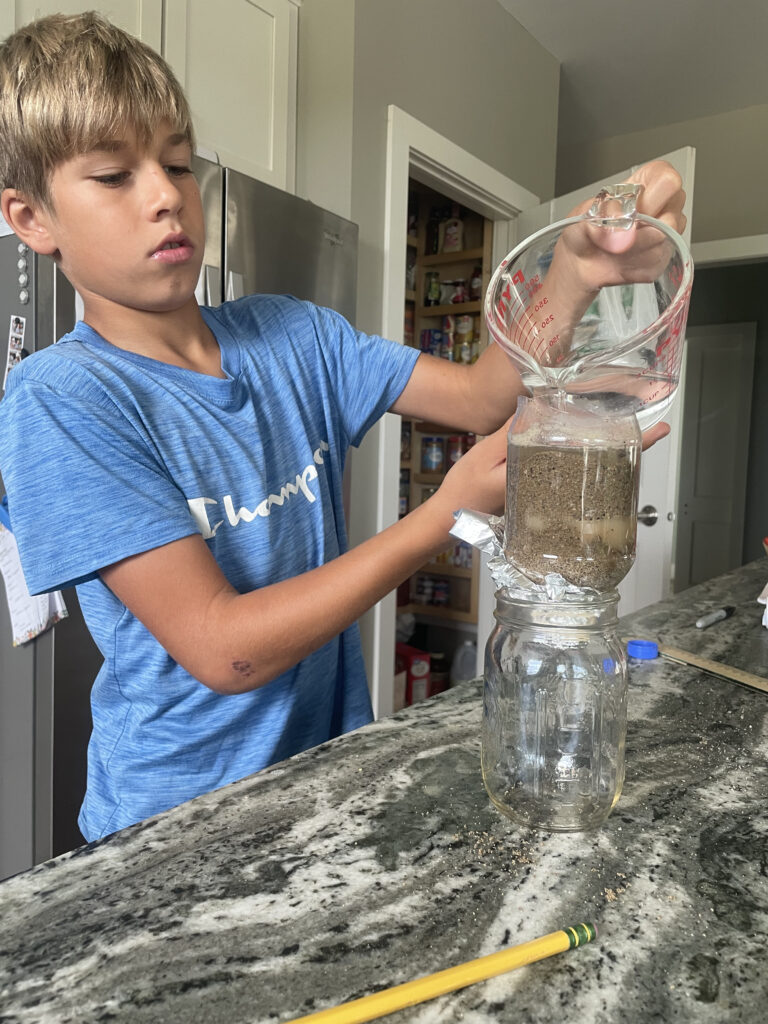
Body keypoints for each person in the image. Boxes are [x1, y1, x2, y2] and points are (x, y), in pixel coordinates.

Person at [0, 12, 686, 842]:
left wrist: (574, 272)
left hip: (326, 771)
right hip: (174, 819)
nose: (164, 196)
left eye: (178, 163)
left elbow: (480, 397)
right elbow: (225, 651)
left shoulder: (294, 335)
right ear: (32, 220)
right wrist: (446, 514)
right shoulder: (62, 398)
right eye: (113, 176)